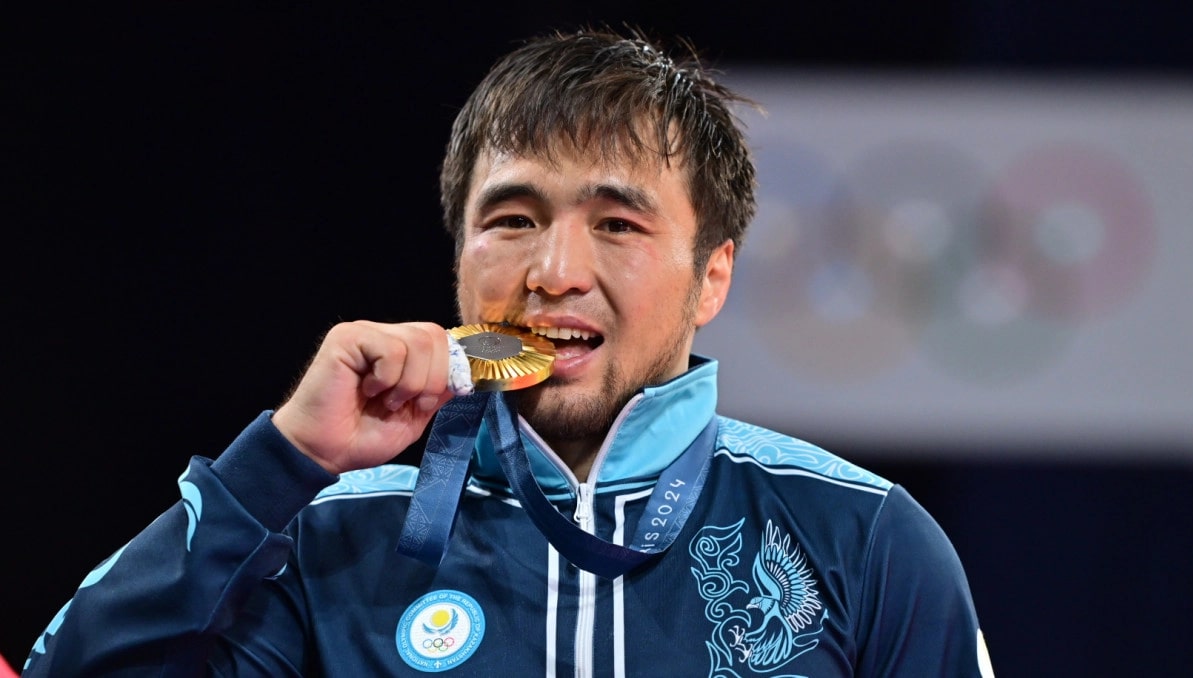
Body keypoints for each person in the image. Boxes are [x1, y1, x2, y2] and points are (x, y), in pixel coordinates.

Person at [23, 27, 993, 676]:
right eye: (513, 219)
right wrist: (283, 461)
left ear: (712, 275)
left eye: (618, 224)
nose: (555, 271)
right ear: (459, 259)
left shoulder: (860, 539)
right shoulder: (329, 539)